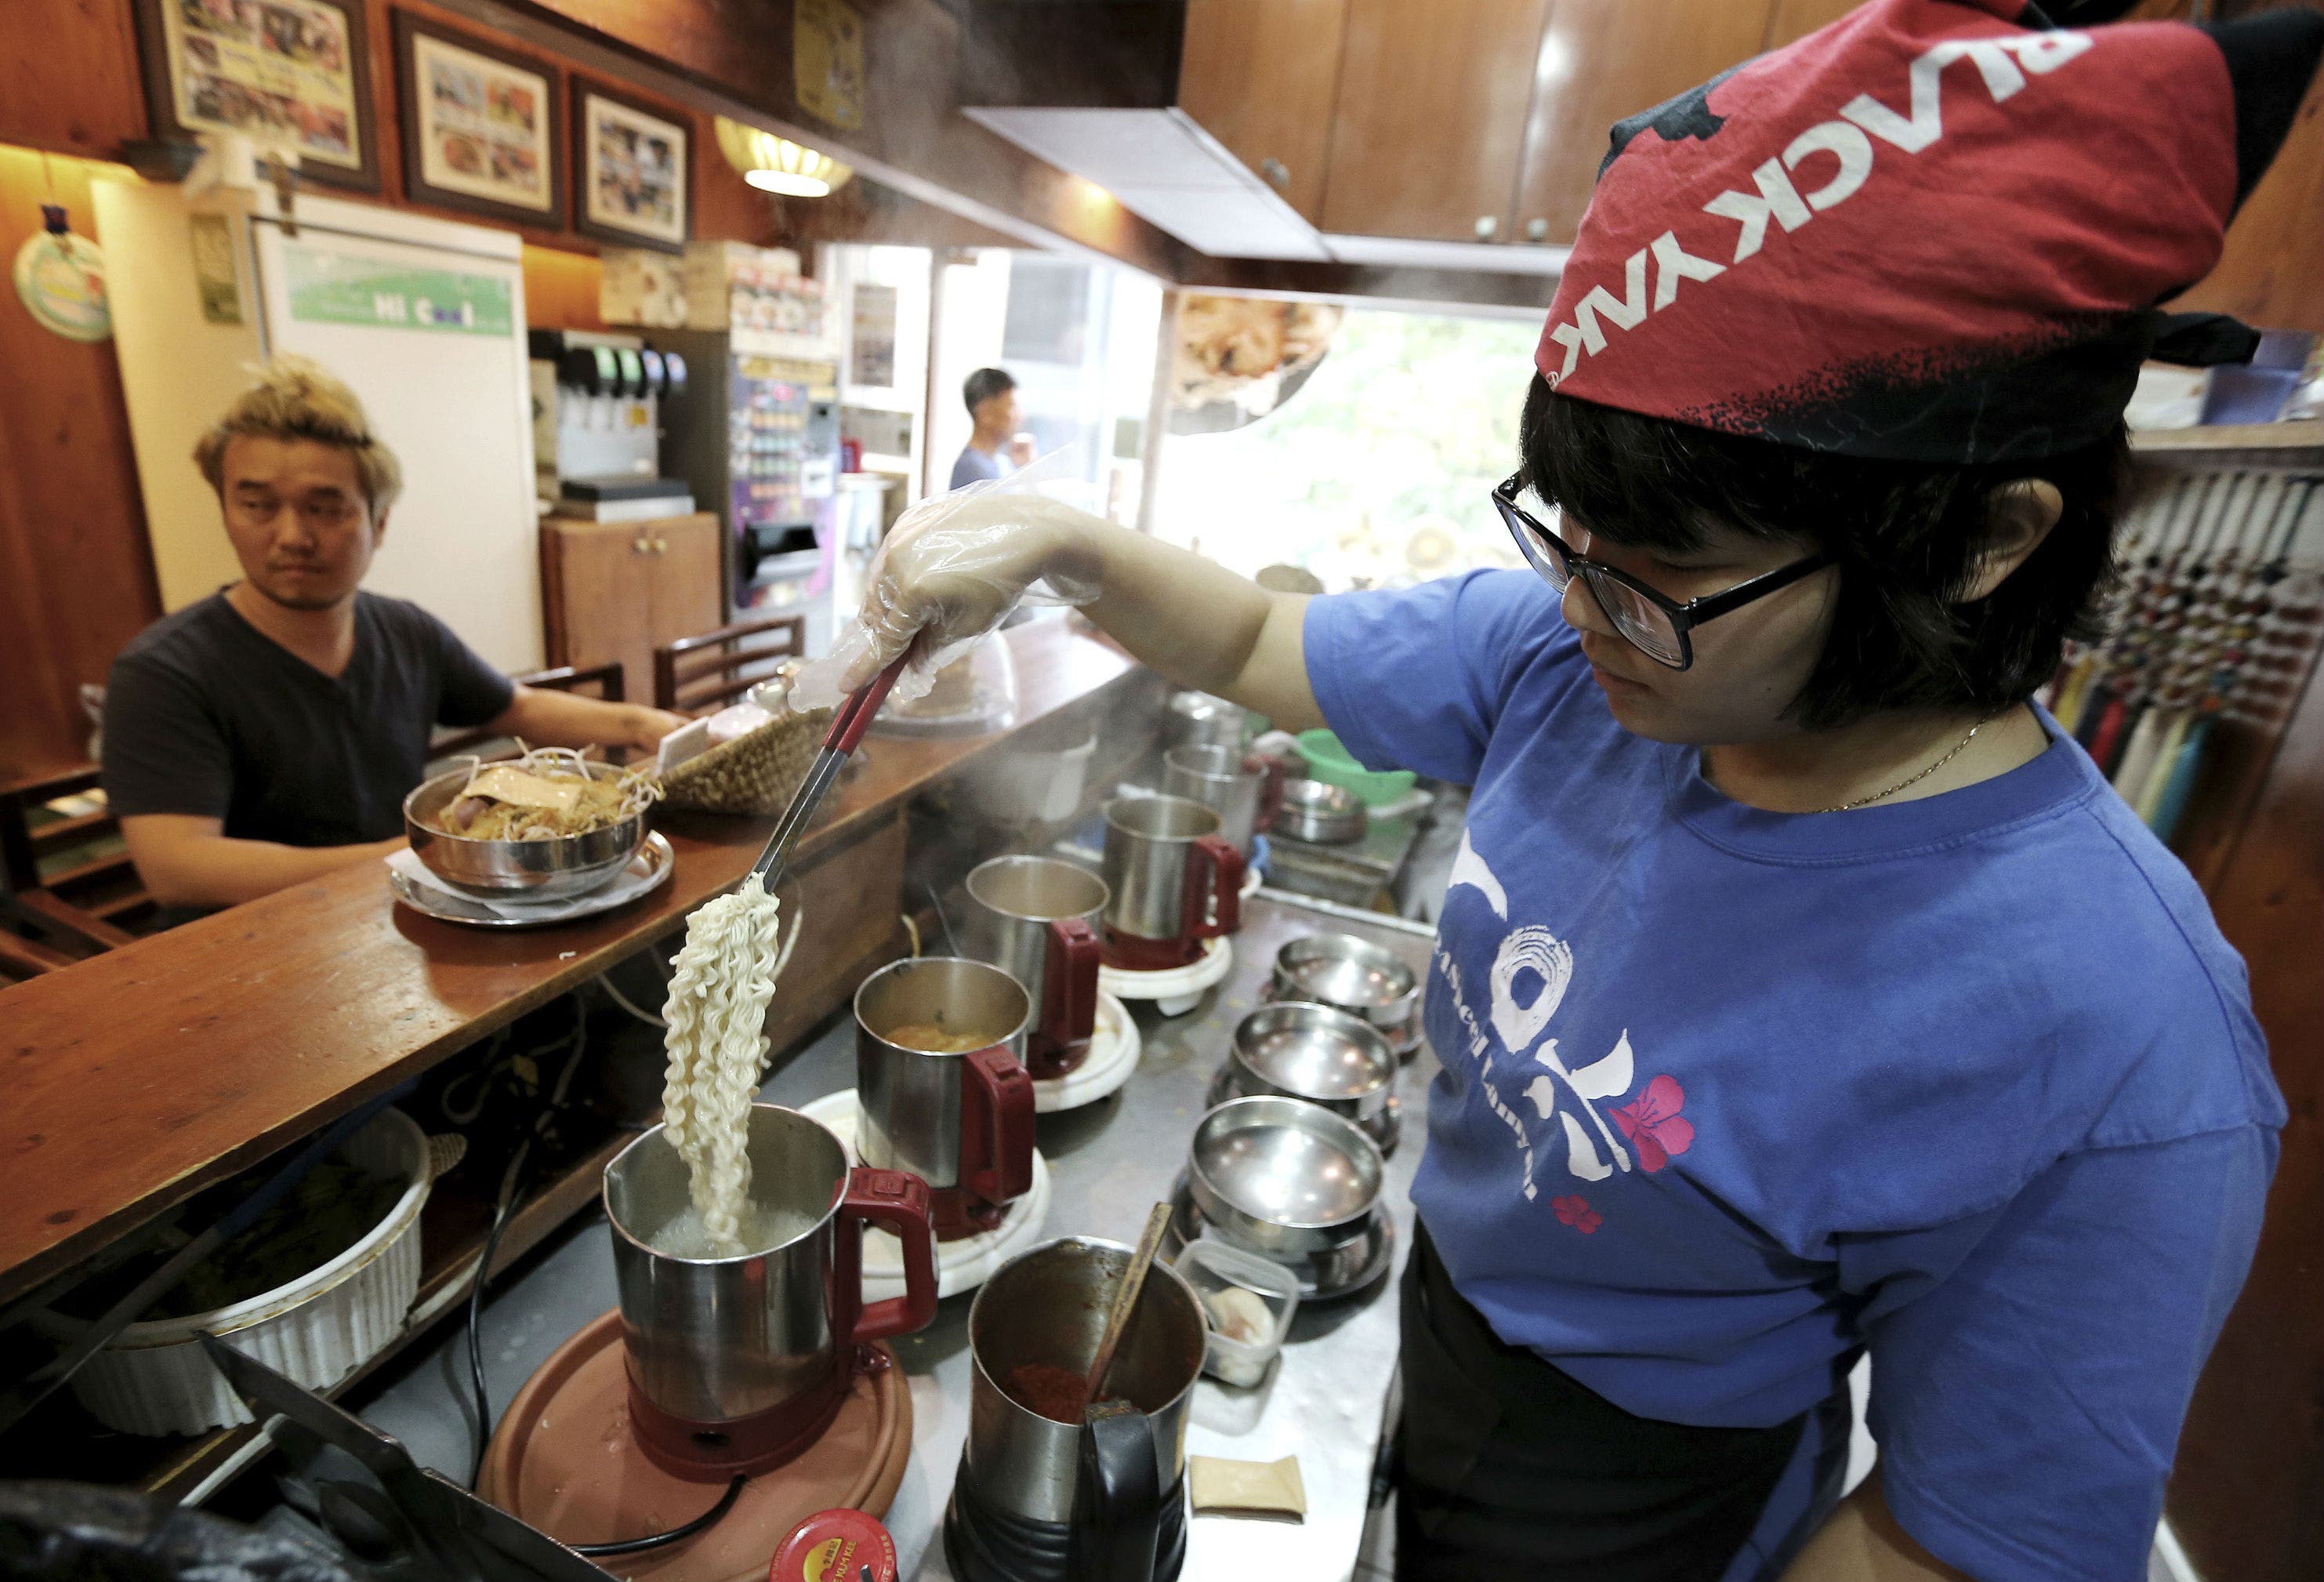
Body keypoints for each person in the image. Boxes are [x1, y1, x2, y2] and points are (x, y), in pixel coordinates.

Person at [799, 4, 2324, 1580]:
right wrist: (1058, 539)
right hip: (1443, 1323)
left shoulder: (2116, 1043)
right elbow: (1261, 632)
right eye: (1568, 532)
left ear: (1983, 538)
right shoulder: (1574, 655)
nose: (1587, 604)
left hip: (1652, 1493)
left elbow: (1959, 1541)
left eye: (1666, 568)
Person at [103, 358, 685, 916]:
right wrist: (431, 854)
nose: (291, 536)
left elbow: (517, 707)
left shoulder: (403, 630)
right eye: (257, 505)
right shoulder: (165, 671)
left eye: (325, 510)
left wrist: (643, 726)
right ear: (226, 510)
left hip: (394, 912)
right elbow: (179, 868)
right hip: (248, 951)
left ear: (378, 523)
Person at [948, 367, 1035, 490]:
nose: (1019, 417)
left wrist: (1026, 468)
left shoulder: (1003, 463)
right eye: (1012, 407)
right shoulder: (972, 468)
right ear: (985, 412)